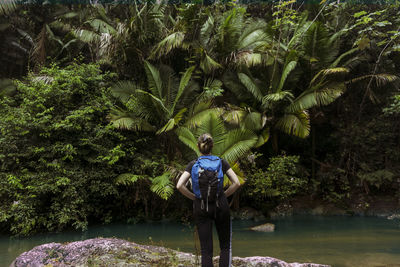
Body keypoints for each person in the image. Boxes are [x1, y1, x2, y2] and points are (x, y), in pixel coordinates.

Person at [176, 133, 240, 267]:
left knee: (206, 251)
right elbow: (236, 183)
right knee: (225, 247)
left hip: (201, 206)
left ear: (198, 147)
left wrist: (194, 197)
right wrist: (224, 195)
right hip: (220, 204)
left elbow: (179, 185)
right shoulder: (221, 162)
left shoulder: (193, 164)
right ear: (212, 146)